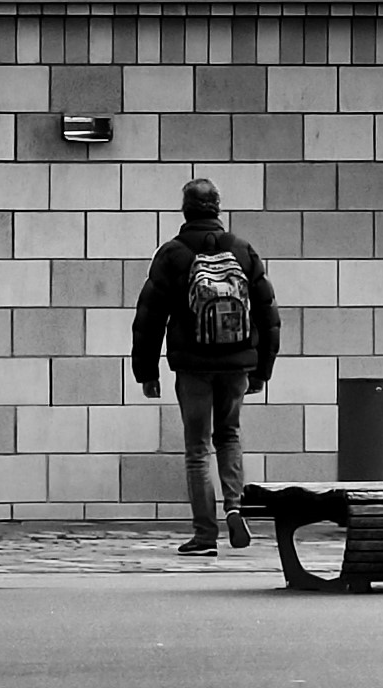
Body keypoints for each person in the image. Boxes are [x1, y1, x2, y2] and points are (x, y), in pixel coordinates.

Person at [131, 178, 281, 557]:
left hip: (193, 366)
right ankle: (234, 506)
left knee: (197, 449)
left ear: (185, 210)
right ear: (217, 207)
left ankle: (204, 535)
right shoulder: (242, 251)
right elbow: (267, 314)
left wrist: (146, 371)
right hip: (237, 365)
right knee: (228, 435)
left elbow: (149, 317)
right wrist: (262, 370)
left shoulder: (173, 254)